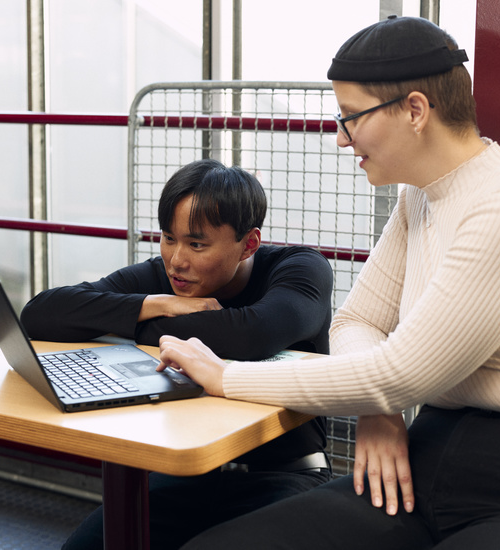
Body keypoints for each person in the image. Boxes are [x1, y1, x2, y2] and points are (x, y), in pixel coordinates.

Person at [153, 16, 500, 550]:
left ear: (415, 110)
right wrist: (379, 406)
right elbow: (358, 322)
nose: (341, 139)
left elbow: (399, 371)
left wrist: (224, 376)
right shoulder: (422, 195)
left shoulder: (497, 208)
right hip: (421, 455)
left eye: (351, 118)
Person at [20, 158, 334, 550]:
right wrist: (153, 304)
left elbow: (254, 334)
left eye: (196, 244)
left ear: (248, 244)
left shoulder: (299, 269)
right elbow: (39, 314)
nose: (176, 260)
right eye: (169, 238)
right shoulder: (167, 279)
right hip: (184, 471)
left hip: (281, 474)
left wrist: (134, 326)